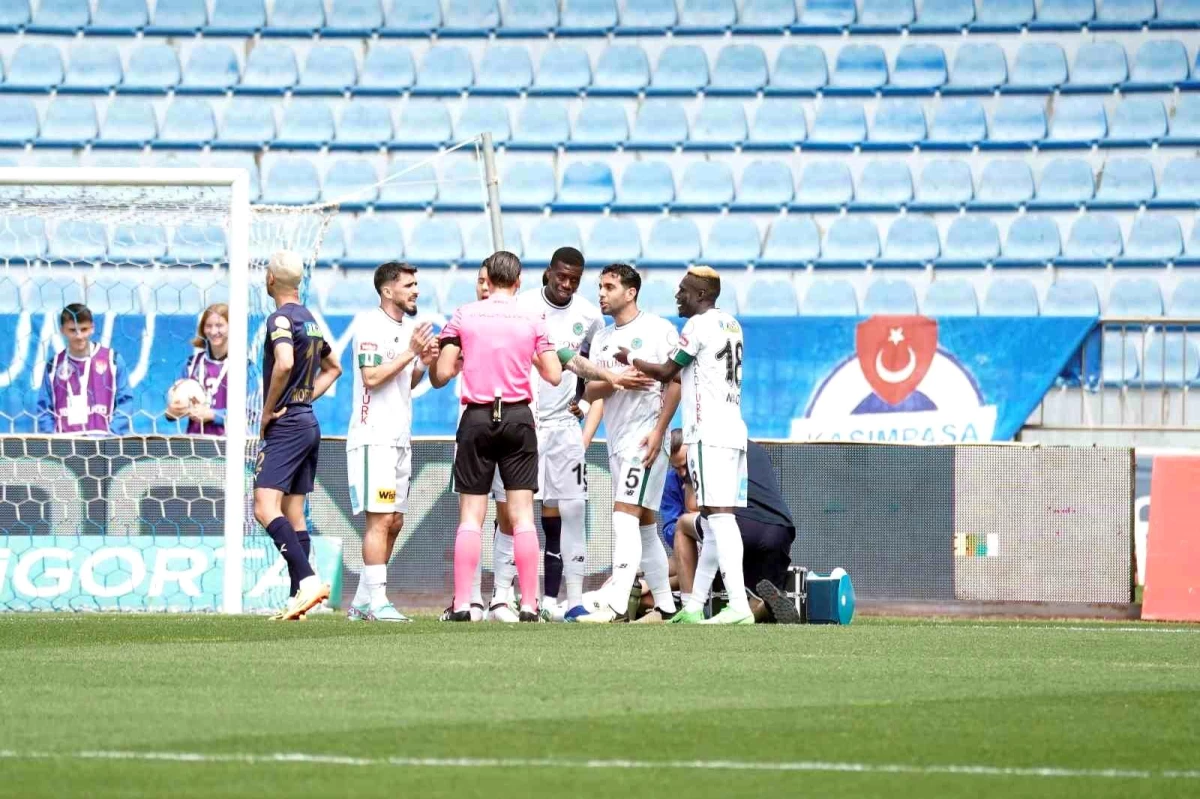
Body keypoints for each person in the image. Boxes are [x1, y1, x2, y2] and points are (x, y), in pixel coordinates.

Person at [616, 265, 753, 625]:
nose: (678, 296)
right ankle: (694, 604)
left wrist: (628, 358)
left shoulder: (698, 325)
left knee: (720, 518)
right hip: (734, 430)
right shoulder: (732, 324)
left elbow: (665, 372)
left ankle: (738, 604)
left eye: (684, 290)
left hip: (709, 432)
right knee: (712, 519)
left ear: (702, 295)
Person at [430, 250, 563, 622]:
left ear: (487, 280)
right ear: (519, 282)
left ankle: (461, 605)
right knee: (521, 516)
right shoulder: (533, 316)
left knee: (471, 516)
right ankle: (529, 604)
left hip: (477, 416)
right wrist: (528, 357)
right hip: (519, 416)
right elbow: (553, 374)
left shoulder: (464, 314)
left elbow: (441, 374)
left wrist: (462, 361)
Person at [575, 264, 681, 623]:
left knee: (623, 516)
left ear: (630, 292)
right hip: (617, 440)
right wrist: (616, 380)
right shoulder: (603, 338)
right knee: (646, 525)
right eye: (600, 287)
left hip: (645, 438)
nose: (601, 293)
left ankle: (617, 602)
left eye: (609, 287)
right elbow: (592, 390)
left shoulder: (658, 330)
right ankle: (666, 606)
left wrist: (660, 432)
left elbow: (675, 382)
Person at [509, 247, 604, 617]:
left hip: (564, 428)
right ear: (548, 272)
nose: (566, 284)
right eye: (561, 276)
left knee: (574, 508)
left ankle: (573, 601)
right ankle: (514, 596)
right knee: (515, 512)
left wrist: (580, 400)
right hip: (526, 420)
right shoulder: (522, 305)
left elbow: (589, 366)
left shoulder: (589, 316)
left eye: (574, 280)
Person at [252, 250, 343, 621]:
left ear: (270, 280)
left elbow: (285, 361)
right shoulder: (311, 320)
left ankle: (305, 580)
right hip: (308, 421)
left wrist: (269, 409)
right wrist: (304, 396)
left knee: (264, 507)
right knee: (294, 512)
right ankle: (298, 599)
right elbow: (334, 367)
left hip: (287, 425)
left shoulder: (279, 319)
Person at [345, 262, 438, 623]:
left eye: (417, 284)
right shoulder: (370, 325)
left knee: (396, 520)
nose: (416, 290)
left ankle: (363, 601)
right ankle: (379, 601)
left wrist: (422, 364)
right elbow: (371, 378)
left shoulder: (407, 329)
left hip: (399, 439)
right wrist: (411, 353)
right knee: (380, 519)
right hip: (374, 438)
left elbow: (404, 383)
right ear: (388, 291)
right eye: (409, 285)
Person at [665, 430, 801, 624]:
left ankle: (690, 606)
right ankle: (763, 608)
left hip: (741, 527)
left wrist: (688, 478)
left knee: (683, 525)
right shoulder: (757, 450)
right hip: (781, 530)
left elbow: (693, 505)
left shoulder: (707, 448)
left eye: (683, 465)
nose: (682, 472)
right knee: (755, 596)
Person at [37, 303, 133, 436]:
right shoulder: (53, 366)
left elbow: (125, 402)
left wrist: (111, 435)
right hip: (65, 447)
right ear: (62, 330)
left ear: (92, 328)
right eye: (72, 330)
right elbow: (44, 409)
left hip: (104, 445)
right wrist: (53, 438)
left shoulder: (113, 360)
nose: (79, 336)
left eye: (84, 329)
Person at [166, 303, 229, 436]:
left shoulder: (244, 366)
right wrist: (173, 412)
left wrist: (214, 415)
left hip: (230, 445)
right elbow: (177, 402)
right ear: (202, 329)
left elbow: (252, 412)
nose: (213, 331)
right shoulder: (191, 363)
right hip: (195, 444)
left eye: (219, 326)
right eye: (208, 326)